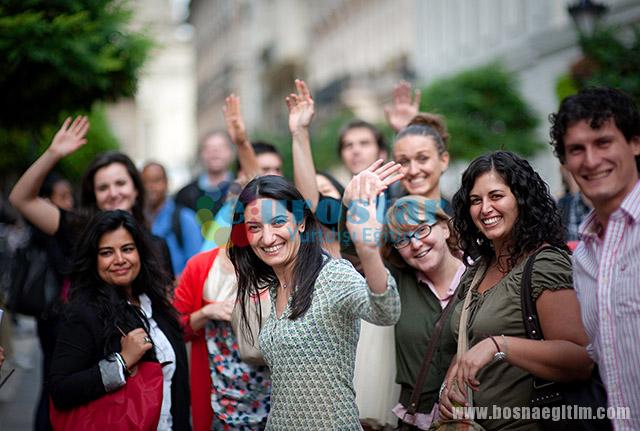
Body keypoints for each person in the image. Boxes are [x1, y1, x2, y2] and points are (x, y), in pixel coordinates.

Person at [227, 168, 402, 430]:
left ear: (300, 222)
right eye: (255, 227)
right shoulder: (274, 286)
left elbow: (386, 312)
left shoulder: (331, 275)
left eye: (277, 222)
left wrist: (367, 250)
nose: (267, 237)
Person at [439, 151, 593, 430]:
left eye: (496, 196)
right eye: (476, 200)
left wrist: (500, 346)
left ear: (521, 200)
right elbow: (470, 340)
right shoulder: (478, 270)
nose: (485, 208)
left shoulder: (544, 264)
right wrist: (450, 386)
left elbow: (579, 359)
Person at [549, 86, 640, 430]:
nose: (590, 160)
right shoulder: (584, 254)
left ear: (634, 142)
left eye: (603, 142)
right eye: (576, 149)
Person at [49, 210, 190, 430]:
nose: (120, 260)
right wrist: (121, 362)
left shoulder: (155, 302)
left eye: (127, 249)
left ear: (140, 252)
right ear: (93, 259)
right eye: (107, 252)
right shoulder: (84, 313)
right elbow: (60, 390)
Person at [9, 117, 174, 279]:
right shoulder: (78, 229)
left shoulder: (157, 245)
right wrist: (53, 154)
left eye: (120, 183)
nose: (113, 193)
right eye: (103, 187)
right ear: (93, 195)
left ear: (136, 189)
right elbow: (21, 199)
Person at [380, 196, 465, 429]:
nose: (416, 244)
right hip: (411, 421)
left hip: (466, 420)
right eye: (403, 239)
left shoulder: (480, 279)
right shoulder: (397, 282)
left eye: (422, 229)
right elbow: (353, 250)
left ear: (445, 229)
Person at [142, 161, 203, 276]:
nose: (150, 187)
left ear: (167, 183)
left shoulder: (185, 218)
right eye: (144, 182)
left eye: (156, 181)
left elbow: (196, 265)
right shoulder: (137, 219)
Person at [392, 114, 452, 213]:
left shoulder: (464, 220)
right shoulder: (382, 218)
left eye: (423, 158)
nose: (413, 171)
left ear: (443, 160)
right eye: (404, 162)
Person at [175, 130, 235, 216]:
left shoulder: (243, 189)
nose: (215, 152)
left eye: (221, 147)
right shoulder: (186, 194)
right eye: (209, 148)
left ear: (231, 152)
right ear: (201, 154)